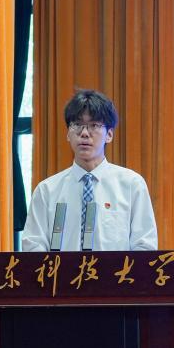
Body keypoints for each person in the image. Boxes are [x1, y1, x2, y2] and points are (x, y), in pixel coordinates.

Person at [21, 89, 158, 251]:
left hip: (117, 269)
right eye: (77, 125)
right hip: (62, 269)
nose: (85, 133)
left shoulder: (131, 185)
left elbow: (144, 246)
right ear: (68, 133)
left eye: (94, 125)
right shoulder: (47, 191)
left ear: (109, 135)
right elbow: (33, 247)